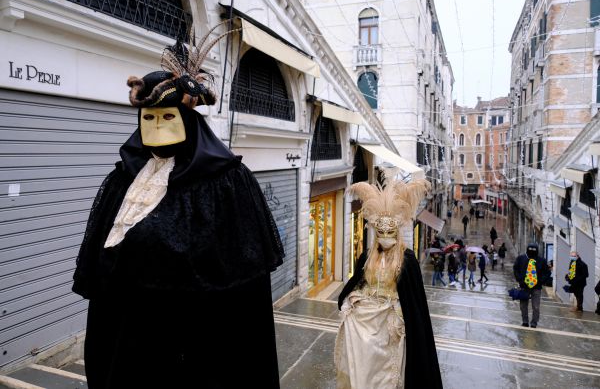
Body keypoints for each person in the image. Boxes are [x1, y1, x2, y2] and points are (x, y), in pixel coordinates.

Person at [72, 36, 285, 388]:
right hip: (131, 339)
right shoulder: (122, 181)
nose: (157, 125)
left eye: (168, 116)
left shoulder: (228, 183)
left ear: (188, 119)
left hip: (199, 345)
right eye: (149, 117)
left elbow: (246, 286)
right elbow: (101, 268)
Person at [335, 175, 442, 389]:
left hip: (391, 321)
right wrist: (351, 299)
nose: (385, 237)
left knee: (386, 370)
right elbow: (358, 282)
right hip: (366, 318)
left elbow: (414, 301)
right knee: (365, 365)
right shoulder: (366, 257)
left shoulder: (407, 260)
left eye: (389, 232)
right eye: (381, 232)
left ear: (397, 231)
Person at [513, 243, 550, 328]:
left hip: (536, 287)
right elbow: (516, 269)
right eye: (530, 250)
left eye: (534, 250)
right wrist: (520, 280)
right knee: (523, 306)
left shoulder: (542, 260)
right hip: (524, 286)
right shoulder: (521, 258)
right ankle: (525, 321)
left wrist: (540, 281)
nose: (532, 252)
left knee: (536, 306)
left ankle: (534, 322)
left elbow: (547, 273)